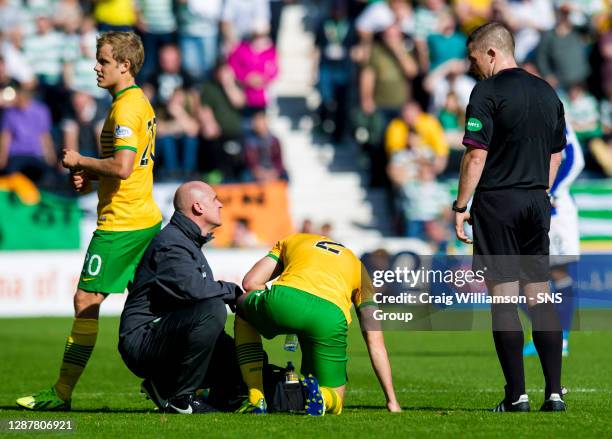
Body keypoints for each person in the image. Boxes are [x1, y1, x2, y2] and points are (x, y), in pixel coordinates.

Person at [16, 31, 162, 411]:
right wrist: (94, 176)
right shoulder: (137, 101)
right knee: (156, 307)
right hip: (143, 218)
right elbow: (135, 164)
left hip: (122, 225)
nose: (96, 67)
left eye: (103, 60)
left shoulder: (125, 109)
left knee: (86, 300)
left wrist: (81, 161)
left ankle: (61, 394)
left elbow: (124, 166)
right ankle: (182, 383)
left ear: (124, 66)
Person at [454, 22, 566, 412]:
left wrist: (460, 205)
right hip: (537, 201)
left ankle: (516, 395)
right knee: (539, 295)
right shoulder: (547, 91)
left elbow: (476, 155)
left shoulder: (486, 91)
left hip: (498, 202)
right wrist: (541, 187)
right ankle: (554, 393)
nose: (472, 67)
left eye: (473, 58)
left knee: (503, 299)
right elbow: (557, 154)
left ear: (490, 53)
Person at [233, 233, 401, 415]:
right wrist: (392, 401)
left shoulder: (295, 239)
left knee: (243, 306)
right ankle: (323, 395)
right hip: (330, 318)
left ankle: (256, 396)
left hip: (286, 299)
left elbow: (250, 282)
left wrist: (272, 305)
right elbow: (374, 340)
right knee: (336, 400)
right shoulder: (359, 268)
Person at [119, 181, 243, 414]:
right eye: (214, 199)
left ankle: (177, 387)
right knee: (212, 309)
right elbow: (195, 290)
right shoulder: (172, 243)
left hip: (164, 333)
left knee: (238, 362)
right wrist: (233, 291)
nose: (221, 204)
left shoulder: (185, 241)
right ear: (198, 207)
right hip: (144, 340)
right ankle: (179, 396)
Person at [523, 121, 585, 358]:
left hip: (555, 210)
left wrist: (550, 191)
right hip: (528, 206)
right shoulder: (520, 116)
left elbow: (575, 159)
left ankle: (562, 338)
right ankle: (548, 332)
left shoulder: (556, 118)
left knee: (558, 272)